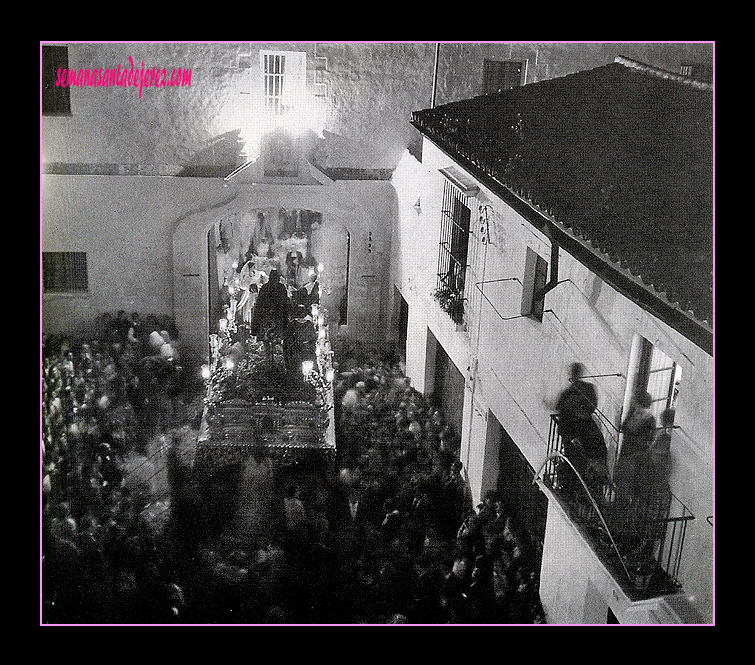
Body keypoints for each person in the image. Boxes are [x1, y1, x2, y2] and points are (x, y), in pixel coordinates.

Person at [555, 363, 607, 493]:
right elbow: (591, 406)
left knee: (577, 461)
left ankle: (580, 489)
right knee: (577, 460)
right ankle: (581, 490)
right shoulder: (586, 389)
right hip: (578, 431)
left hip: (577, 431)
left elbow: (560, 409)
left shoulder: (570, 393)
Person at [250, 269, 290, 339]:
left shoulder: (265, 287)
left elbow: (259, 305)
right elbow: (285, 303)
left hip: (266, 316)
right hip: (278, 316)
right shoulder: (281, 287)